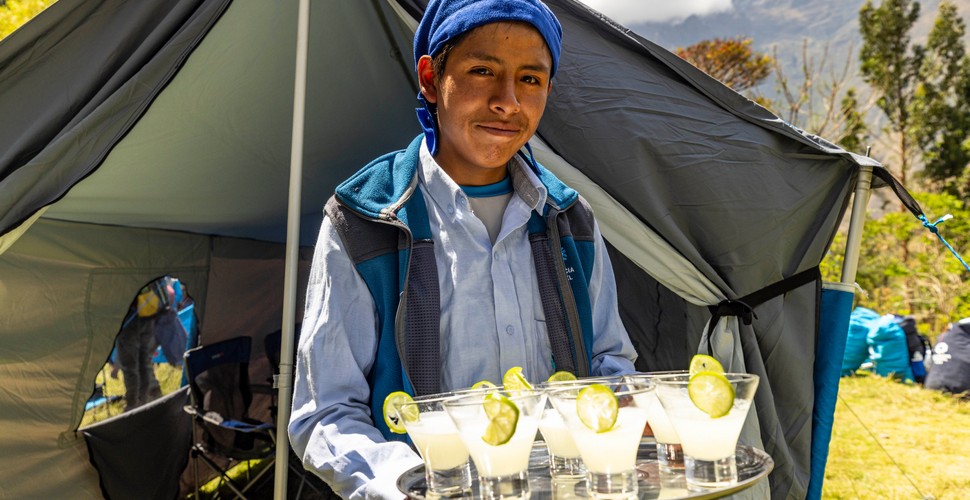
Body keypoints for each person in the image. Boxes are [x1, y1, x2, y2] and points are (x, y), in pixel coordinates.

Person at [288, 0, 639, 497]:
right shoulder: (366, 220)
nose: (507, 101)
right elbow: (325, 412)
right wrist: (409, 487)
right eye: (482, 70)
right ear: (431, 79)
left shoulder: (569, 218)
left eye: (531, 80)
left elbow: (608, 361)